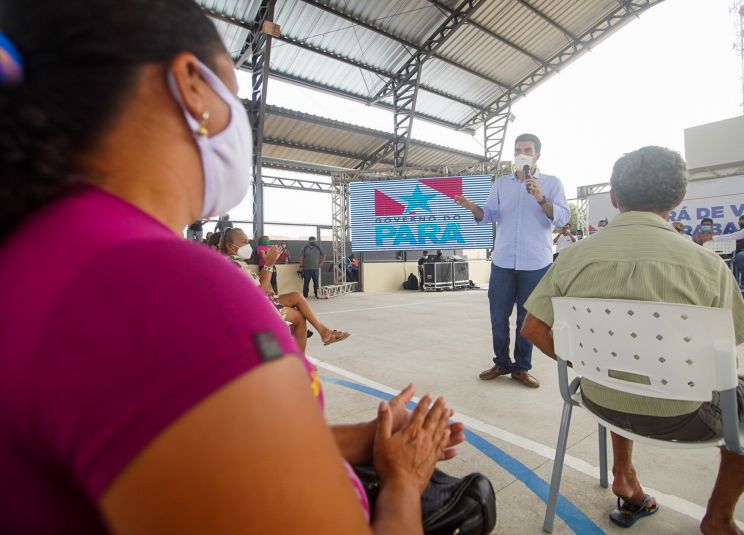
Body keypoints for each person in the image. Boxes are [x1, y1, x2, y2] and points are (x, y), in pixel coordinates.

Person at [0, 2, 465, 532]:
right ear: (192, 87)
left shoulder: (42, 253)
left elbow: (181, 443)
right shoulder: (164, 287)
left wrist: (361, 439)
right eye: (235, 97)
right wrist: (405, 477)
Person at [520, 146, 744, 534]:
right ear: (679, 199)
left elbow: (532, 329)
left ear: (614, 197)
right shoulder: (707, 266)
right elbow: (727, 360)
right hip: (684, 417)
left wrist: (588, 362)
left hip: (599, 400)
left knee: (621, 369)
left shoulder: (573, 257)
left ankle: (623, 474)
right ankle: (719, 516)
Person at [454, 133, 570, 388]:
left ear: (537, 154)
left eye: (527, 150)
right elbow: (488, 215)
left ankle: (521, 368)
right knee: (498, 317)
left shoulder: (551, 183)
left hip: (535, 263)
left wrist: (540, 197)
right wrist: (472, 207)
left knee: (526, 320)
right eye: (518, 149)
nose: (521, 154)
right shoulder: (501, 184)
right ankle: (501, 362)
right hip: (504, 262)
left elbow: (562, 218)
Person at [221, 229, 350, 350]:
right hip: (253, 309)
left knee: (296, 296)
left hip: (254, 303)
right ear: (230, 246)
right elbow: (258, 294)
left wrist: (268, 265)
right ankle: (302, 358)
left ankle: (324, 332)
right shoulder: (234, 264)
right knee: (299, 317)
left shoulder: (236, 262)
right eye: (243, 242)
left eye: (248, 242)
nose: (247, 245)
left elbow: (255, 284)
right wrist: (269, 264)